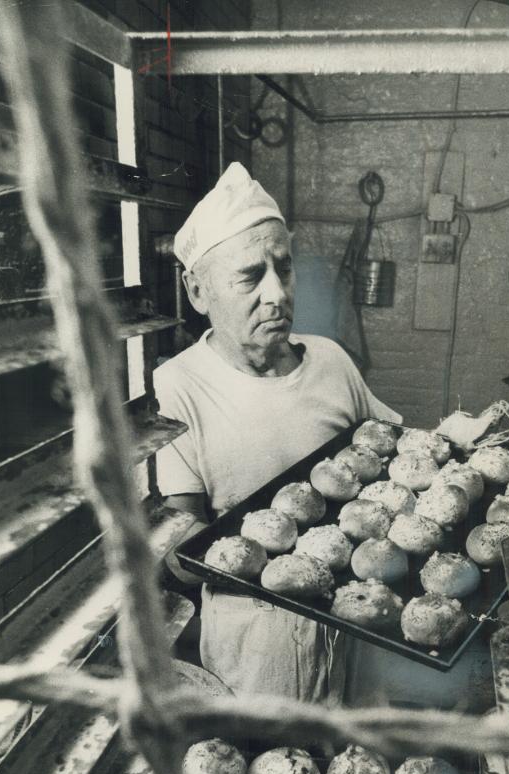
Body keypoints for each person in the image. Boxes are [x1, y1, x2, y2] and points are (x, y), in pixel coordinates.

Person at [154, 162, 400, 703]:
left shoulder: (332, 361)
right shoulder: (179, 385)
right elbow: (181, 529)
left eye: (283, 269)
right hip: (257, 646)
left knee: (357, 766)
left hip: (359, 623)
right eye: (249, 276)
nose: (277, 294)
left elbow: (396, 458)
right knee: (267, 769)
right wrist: (186, 555)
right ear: (198, 291)